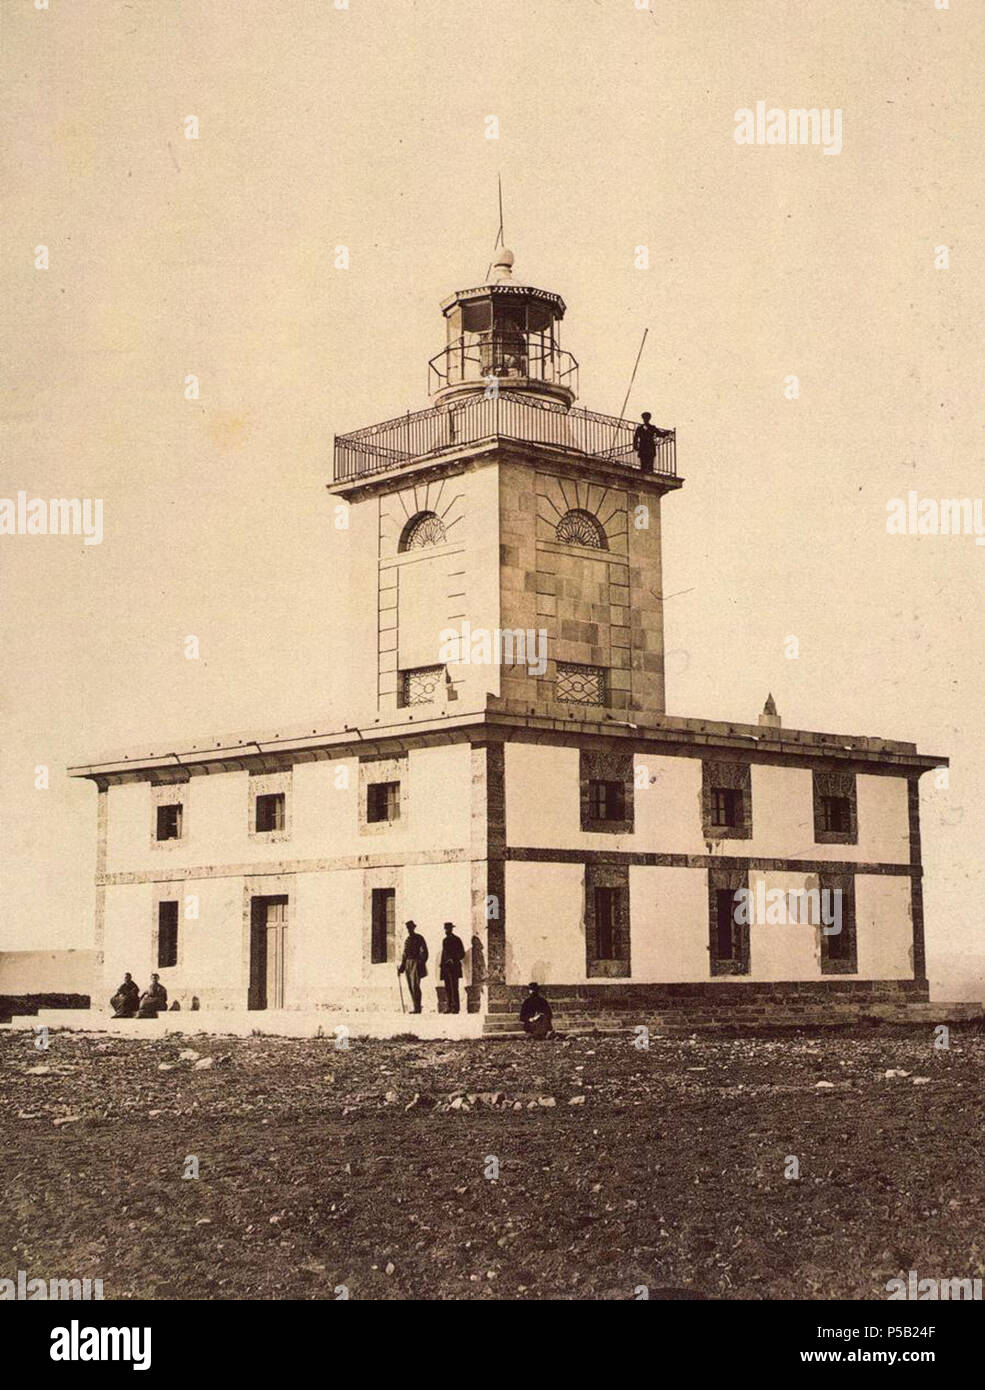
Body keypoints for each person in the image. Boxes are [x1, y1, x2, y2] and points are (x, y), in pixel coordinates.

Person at [397, 920, 429, 1014]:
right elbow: (405, 954)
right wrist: (402, 967)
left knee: (415, 986)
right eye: (408, 928)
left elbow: (424, 952)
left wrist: (420, 962)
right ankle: (415, 1007)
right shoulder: (407, 940)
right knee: (410, 986)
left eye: (410, 928)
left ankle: (418, 1007)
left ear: (413, 928)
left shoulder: (419, 938)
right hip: (408, 964)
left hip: (416, 963)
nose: (409, 930)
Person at [438, 921, 466, 1014]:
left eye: (448, 929)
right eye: (446, 929)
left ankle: (456, 1008)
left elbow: (462, 954)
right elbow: (444, 954)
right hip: (446, 968)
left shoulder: (457, 940)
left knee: (454, 987)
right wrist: (442, 964)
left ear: (451, 929)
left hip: (454, 968)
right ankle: (449, 1006)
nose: (447, 931)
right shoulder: (444, 940)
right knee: (448, 988)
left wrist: (453, 959)